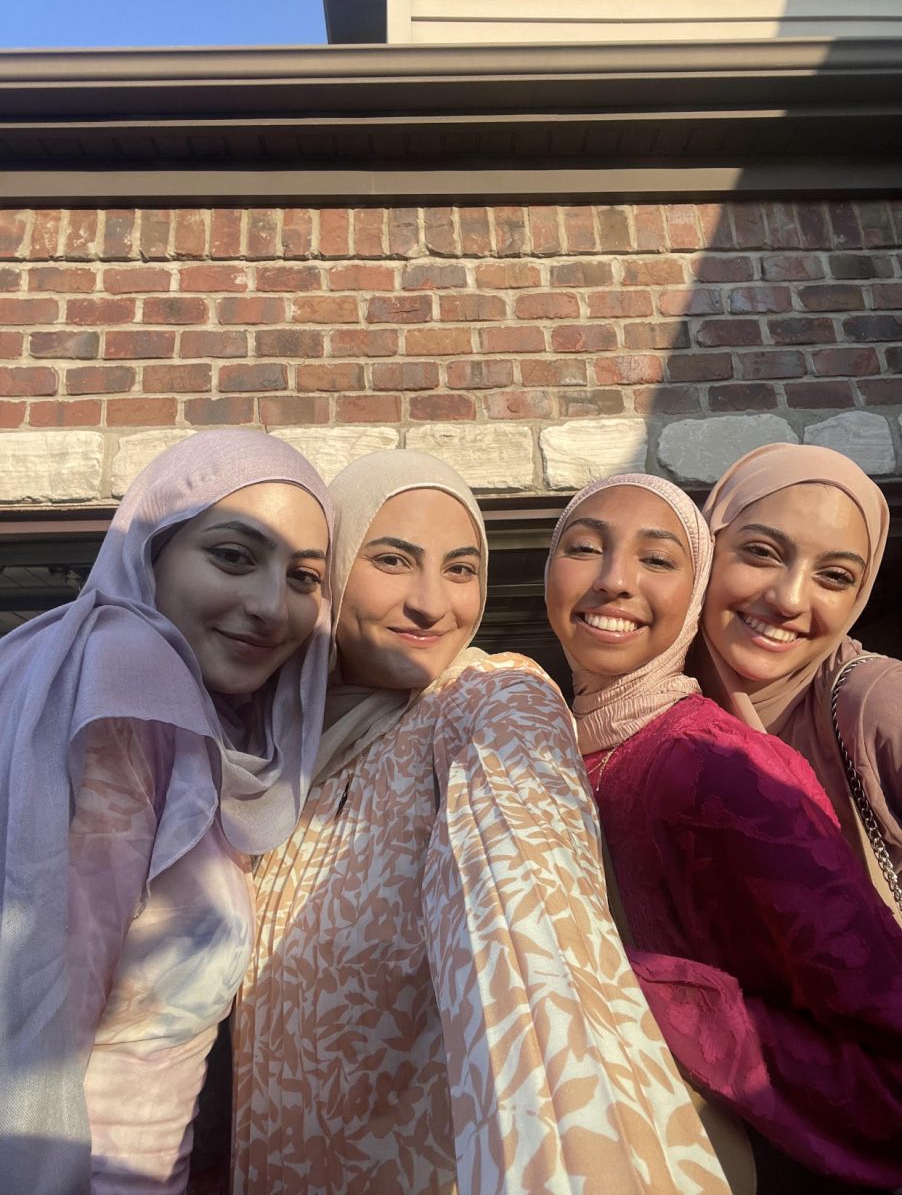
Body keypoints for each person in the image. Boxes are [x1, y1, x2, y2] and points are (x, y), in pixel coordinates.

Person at [232, 451, 728, 1195]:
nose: (433, 603)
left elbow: (530, 943)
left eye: (461, 570)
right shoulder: (265, 758)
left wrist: (574, 1161)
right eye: (393, 560)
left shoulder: (491, 704)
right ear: (327, 571)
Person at [544, 471, 902, 1191]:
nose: (616, 580)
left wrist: (626, 990)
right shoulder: (547, 751)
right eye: (584, 547)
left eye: (657, 558)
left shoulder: (718, 764)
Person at [0, 428, 332, 1195]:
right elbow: (35, 1008)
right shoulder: (128, 680)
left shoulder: (217, 729)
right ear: (151, 553)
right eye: (232, 556)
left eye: (304, 576)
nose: (269, 606)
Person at [695, 442, 902, 896]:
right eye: (762, 552)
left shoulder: (876, 701)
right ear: (707, 549)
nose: (789, 600)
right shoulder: (642, 707)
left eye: (835, 576)